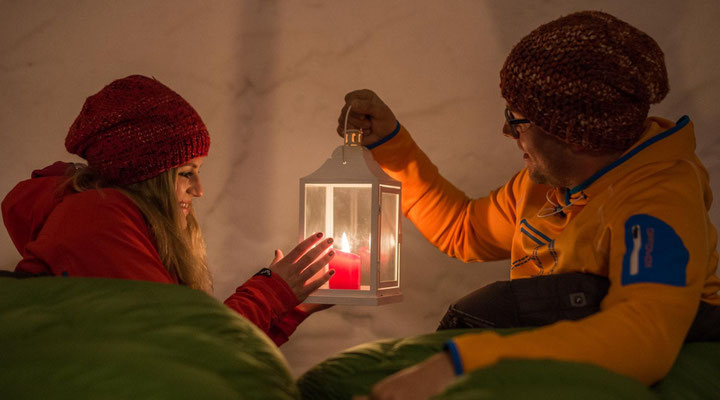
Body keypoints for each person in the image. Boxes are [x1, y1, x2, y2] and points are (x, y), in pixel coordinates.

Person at [337, 11, 720, 400]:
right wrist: (390, 147)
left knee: (505, 306)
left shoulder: (658, 201)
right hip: (565, 365)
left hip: (672, 369)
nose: (507, 131)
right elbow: (463, 230)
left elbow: (643, 337)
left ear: (574, 134)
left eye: (517, 119)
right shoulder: (548, 185)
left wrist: (462, 363)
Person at [2, 74, 336, 346]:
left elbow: (201, 359)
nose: (199, 190)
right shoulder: (99, 217)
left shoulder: (117, 218)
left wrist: (290, 309)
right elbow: (181, 348)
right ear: (146, 176)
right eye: (185, 173)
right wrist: (272, 291)